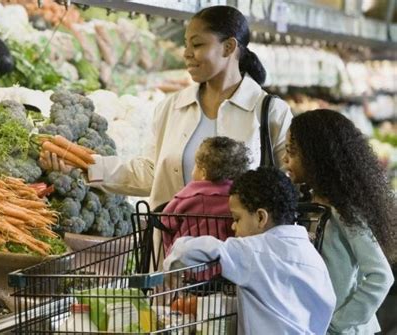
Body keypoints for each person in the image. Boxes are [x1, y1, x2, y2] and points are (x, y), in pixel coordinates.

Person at [40, 5, 292, 211]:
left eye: (198, 44)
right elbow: (152, 173)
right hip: (174, 254)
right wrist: (88, 165)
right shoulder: (173, 107)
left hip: (239, 260)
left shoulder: (271, 112)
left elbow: (287, 189)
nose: (187, 54)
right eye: (186, 45)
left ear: (228, 47)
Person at [163, 167, 336, 334]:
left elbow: (189, 250)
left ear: (261, 217)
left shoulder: (253, 251)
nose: (232, 226)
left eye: (237, 218)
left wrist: (172, 265)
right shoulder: (312, 256)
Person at [282, 109, 395, 334]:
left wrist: (337, 323)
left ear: (317, 156)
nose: (285, 159)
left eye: (292, 152)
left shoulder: (344, 210)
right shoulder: (308, 203)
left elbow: (381, 276)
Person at [161, 136, 250, 255]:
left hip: (186, 263)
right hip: (225, 261)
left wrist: (169, 249)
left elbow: (166, 221)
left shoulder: (186, 197)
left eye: (195, 165)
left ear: (203, 173)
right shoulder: (239, 200)